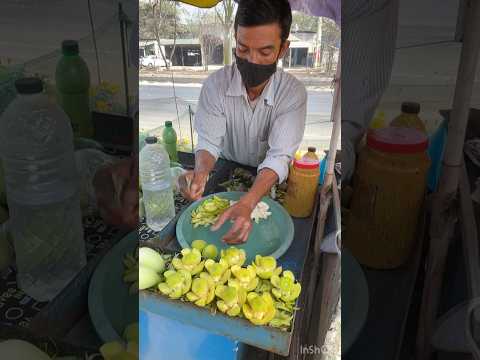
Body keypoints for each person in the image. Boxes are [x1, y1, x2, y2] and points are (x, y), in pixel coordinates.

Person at [178, 0, 307, 244]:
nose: (252, 60)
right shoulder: (216, 85)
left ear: (282, 50)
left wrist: (248, 202)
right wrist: (201, 172)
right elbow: (209, 141)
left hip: (266, 178)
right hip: (224, 170)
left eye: (265, 52)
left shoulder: (292, 93)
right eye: (243, 49)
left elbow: (279, 157)